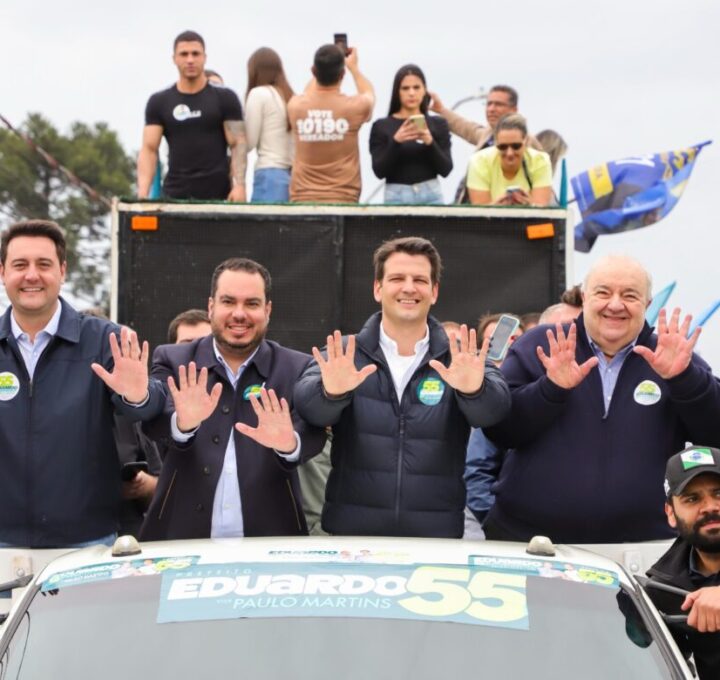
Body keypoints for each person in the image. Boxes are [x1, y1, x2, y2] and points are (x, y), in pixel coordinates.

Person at [483, 254, 720, 543]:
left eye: (630, 295)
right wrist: (551, 389)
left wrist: (684, 380)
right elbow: (500, 430)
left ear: (647, 305)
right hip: (532, 543)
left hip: (644, 548)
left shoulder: (672, 356)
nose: (616, 304)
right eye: (603, 292)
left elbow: (714, 435)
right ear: (585, 297)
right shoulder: (541, 344)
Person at [294, 236, 511, 537]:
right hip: (353, 537)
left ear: (434, 291)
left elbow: (496, 412)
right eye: (397, 278)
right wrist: (332, 393)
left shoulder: (462, 357)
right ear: (377, 288)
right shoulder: (344, 353)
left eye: (420, 280)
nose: (409, 288)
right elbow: (308, 408)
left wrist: (473, 391)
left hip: (435, 536)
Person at [0, 220, 165, 547]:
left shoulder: (106, 340)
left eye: (44, 264)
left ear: (62, 271)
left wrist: (138, 395)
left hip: (86, 542)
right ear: (2, 272)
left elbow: (152, 405)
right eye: (20, 265)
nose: (32, 275)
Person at [140, 257, 326, 540]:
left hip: (271, 541)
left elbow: (312, 432)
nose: (239, 314)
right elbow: (153, 421)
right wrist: (182, 424)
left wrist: (290, 444)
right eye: (228, 302)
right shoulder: (173, 359)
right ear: (211, 306)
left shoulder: (296, 367)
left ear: (268, 310)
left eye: (251, 304)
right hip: (180, 541)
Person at [137, 30, 248, 201]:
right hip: (175, 196)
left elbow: (238, 143)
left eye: (195, 54)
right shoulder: (159, 101)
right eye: (184, 54)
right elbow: (149, 149)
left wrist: (239, 185)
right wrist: (143, 193)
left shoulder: (226, 98)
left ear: (204, 57)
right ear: (174, 58)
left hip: (219, 197)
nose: (190, 60)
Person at [646, 446, 720, 678]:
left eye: (719, 493)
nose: (710, 507)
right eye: (692, 498)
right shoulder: (663, 588)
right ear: (670, 513)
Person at [288, 44, 374, 203]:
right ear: (342, 74)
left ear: (313, 71)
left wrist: (323, 66)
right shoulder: (354, 107)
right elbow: (369, 95)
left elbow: (309, 94)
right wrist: (353, 67)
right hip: (343, 198)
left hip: (303, 199)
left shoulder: (296, 107)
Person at [369, 64, 452, 204]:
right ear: (397, 92)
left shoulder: (438, 124)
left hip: (431, 193)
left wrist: (430, 142)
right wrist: (396, 141)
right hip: (396, 194)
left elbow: (446, 169)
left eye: (416, 87)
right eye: (405, 88)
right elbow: (379, 171)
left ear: (425, 90)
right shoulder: (382, 126)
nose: (411, 93)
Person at [467, 113, 553, 206]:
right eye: (503, 147)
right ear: (496, 143)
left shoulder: (540, 161)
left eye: (516, 146)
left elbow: (542, 208)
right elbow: (480, 212)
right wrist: (495, 207)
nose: (509, 153)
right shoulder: (479, 161)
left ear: (526, 141)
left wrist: (530, 205)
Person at [244, 47, 295, 203]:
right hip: (293, 176)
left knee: (264, 227)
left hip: (269, 173)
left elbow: (249, 142)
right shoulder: (290, 97)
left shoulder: (258, 94)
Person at [429, 84, 542, 152]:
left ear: (514, 109)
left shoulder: (526, 141)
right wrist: (441, 110)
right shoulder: (487, 135)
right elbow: (466, 128)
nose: (491, 109)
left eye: (498, 104)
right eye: (489, 104)